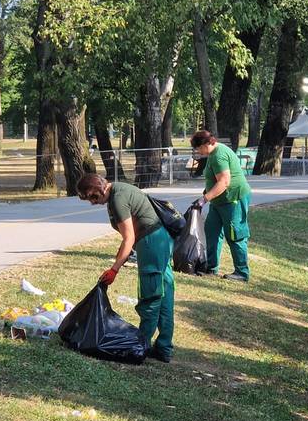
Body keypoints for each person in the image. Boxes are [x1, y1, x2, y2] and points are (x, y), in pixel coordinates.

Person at [76, 173, 174, 362]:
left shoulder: (117, 199)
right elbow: (127, 238)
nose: (92, 202)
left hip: (151, 244)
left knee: (150, 296)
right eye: (88, 199)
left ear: (100, 186)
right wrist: (118, 259)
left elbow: (129, 237)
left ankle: (141, 346)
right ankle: (163, 348)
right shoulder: (118, 191)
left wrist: (115, 269)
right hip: (159, 241)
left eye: (92, 196)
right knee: (164, 295)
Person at [190, 129, 251, 282]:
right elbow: (213, 180)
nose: (198, 152)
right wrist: (206, 195)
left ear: (205, 144)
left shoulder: (218, 155)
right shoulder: (212, 154)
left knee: (234, 234)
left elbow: (224, 182)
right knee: (212, 231)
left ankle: (242, 273)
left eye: (198, 148)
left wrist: (204, 199)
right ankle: (211, 268)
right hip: (219, 201)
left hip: (233, 199)